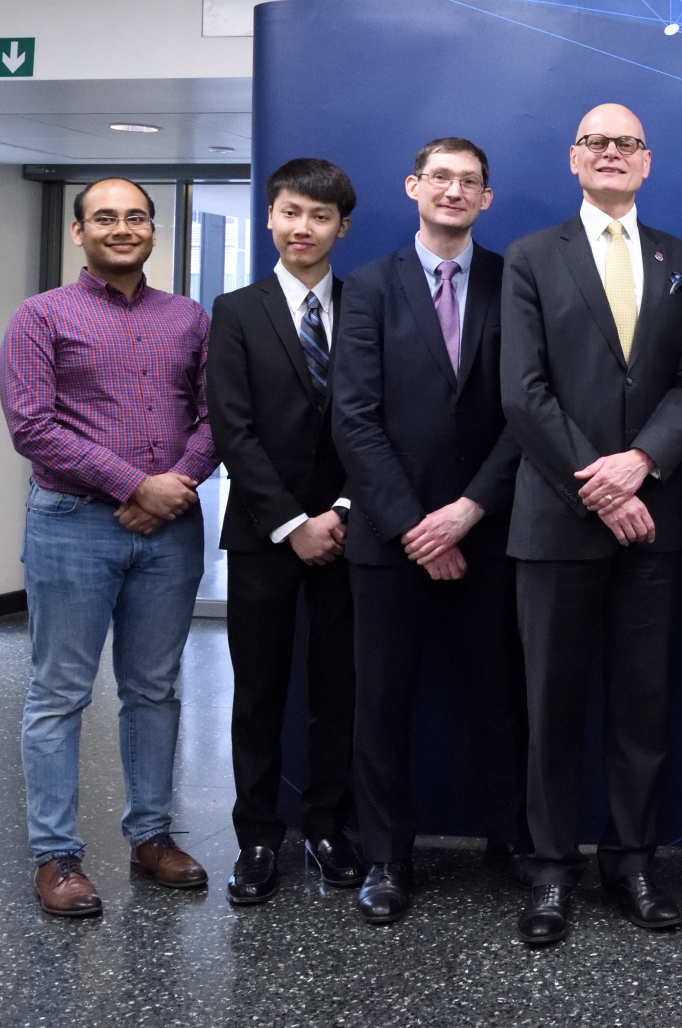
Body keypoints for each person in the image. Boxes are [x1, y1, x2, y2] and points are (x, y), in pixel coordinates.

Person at [501, 103, 682, 946]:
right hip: (557, 519)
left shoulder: (680, 260)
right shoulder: (529, 258)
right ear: (574, 158)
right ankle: (550, 873)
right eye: (598, 141)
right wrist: (600, 482)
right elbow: (523, 391)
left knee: (643, 707)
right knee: (551, 708)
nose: (614, 153)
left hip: (654, 519)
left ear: (648, 162)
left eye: (628, 142)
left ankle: (632, 862)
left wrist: (642, 466)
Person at [3, 177, 219, 916]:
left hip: (170, 530)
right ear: (78, 232)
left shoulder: (188, 317)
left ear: (153, 230)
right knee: (60, 693)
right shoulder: (39, 317)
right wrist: (135, 485)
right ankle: (56, 856)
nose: (121, 228)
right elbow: (33, 426)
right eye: (105, 217)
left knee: (154, 689)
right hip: (71, 525)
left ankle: (152, 837)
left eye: (135, 217)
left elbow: (217, 414)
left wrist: (176, 484)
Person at [333, 138, 527, 924]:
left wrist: (468, 511)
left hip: (490, 530)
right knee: (380, 703)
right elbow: (354, 419)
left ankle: (510, 842)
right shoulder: (371, 288)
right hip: (391, 538)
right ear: (413, 186)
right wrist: (417, 525)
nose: (453, 190)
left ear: (487, 198)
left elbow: (527, 412)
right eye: (439, 177)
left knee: (501, 698)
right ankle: (386, 856)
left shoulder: (516, 283)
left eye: (469, 181)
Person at [207, 158, 363, 905]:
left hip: (350, 531)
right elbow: (233, 430)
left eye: (320, 216)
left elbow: (384, 422)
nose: (304, 228)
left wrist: (339, 512)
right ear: (270, 217)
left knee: (339, 689)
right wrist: (292, 522)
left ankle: (330, 827)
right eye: (291, 212)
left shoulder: (367, 306)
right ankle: (258, 837)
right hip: (265, 535)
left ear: (343, 226)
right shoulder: (236, 310)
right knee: (258, 690)